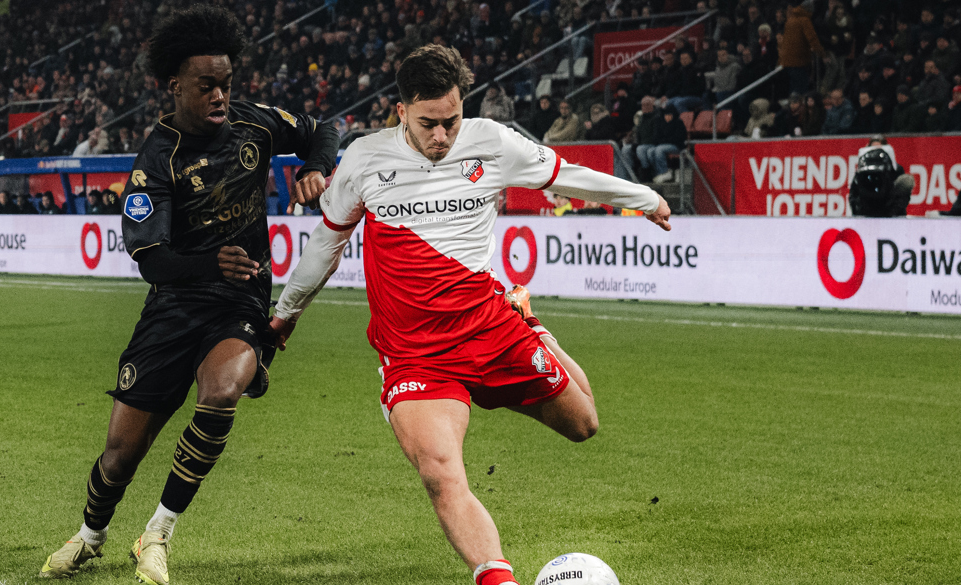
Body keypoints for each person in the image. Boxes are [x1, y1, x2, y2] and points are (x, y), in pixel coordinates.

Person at [267, 44, 671, 585]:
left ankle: (529, 321)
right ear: (401, 111)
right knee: (441, 474)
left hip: (490, 328)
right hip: (416, 355)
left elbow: (565, 175)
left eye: (451, 121)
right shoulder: (365, 158)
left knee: (584, 424)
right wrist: (287, 311)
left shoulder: (492, 142)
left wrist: (644, 198)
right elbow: (327, 242)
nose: (441, 135)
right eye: (428, 123)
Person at [37, 6, 338, 583]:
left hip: (239, 302)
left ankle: (157, 534)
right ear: (175, 86)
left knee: (222, 392)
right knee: (120, 456)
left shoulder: (253, 124)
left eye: (226, 83)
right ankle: (91, 535)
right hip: (174, 307)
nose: (220, 95)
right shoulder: (157, 160)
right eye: (206, 86)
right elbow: (151, 259)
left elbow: (322, 129)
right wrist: (208, 262)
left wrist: (316, 166)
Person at [850, 136, 911, 217]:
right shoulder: (862, 173)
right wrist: (859, 212)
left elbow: (902, 197)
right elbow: (854, 195)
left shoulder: (896, 170)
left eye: (879, 149)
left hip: (891, 213)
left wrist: (892, 213)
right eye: (873, 149)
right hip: (866, 212)